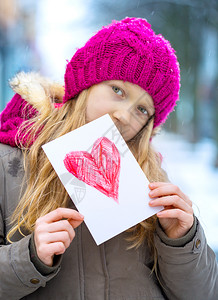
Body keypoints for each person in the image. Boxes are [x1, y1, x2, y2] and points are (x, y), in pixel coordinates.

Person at [0, 17, 217, 300]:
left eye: (141, 109)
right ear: (86, 83)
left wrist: (183, 242)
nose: (124, 115)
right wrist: (28, 256)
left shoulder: (151, 180)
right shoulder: (11, 163)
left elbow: (203, 293)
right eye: (117, 90)